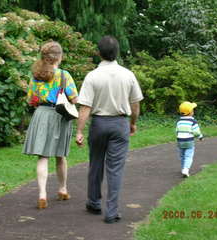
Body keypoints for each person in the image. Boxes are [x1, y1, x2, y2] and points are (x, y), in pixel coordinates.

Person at [76, 36, 144, 223]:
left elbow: (85, 108)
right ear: (117, 52)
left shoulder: (92, 76)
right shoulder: (128, 74)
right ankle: (112, 212)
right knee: (115, 169)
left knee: (95, 163)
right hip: (120, 124)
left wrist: (80, 131)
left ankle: (94, 203)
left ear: (99, 53)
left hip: (98, 124)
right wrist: (133, 122)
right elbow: (135, 103)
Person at [22, 41, 78, 209]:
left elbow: (31, 101)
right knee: (60, 156)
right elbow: (75, 99)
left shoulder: (36, 76)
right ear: (59, 57)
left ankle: (42, 195)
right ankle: (62, 189)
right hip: (59, 116)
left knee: (43, 156)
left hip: (41, 115)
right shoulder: (64, 75)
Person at [176, 101, 203, 178]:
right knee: (189, 155)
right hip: (189, 141)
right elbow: (196, 132)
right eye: (193, 110)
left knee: (182, 155)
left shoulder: (179, 121)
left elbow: (177, 130)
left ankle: (183, 168)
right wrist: (200, 136)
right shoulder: (192, 121)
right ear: (190, 112)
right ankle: (186, 169)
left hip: (180, 140)